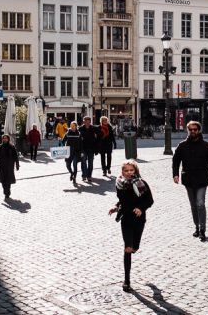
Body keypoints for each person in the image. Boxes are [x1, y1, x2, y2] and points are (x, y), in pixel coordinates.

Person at [108, 160, 154, 293]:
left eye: (131, 170)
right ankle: (127, 281)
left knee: (134, 247)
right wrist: (116, 207)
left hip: (139, 219)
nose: (129, 173)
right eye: (126, 170)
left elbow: (149, 200)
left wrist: (141, 208)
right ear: (122, 172)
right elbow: (122, 201)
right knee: (127, 248)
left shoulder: (141, 183)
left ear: (135, 171)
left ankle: (134, 248)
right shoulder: (120, 184)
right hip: (126, 219)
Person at [172, 121, 208, 241]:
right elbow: (176, 161)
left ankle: (203, 229)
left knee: (200, 204)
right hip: (188, 180)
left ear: (199, 130)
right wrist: (175, 174)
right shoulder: (182, 146)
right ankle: (196, 227)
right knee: (193, 206)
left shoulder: (206, 146)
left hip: (202, 180)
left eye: (195, 129)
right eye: (190, 129)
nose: (193, 131)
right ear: (188, 130)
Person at [0, 134, 20, 199]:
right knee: (3, 180)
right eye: (3, 138)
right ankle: (5, 191)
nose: (5, 139)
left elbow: (15, 156)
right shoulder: (0, 147)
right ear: (2, 139)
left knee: (8, 180)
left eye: (6, 138)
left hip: (10, 166)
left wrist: (17, 164)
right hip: (2, 166)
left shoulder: (12, 147)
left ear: (8, 139)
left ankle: (7, 193)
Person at [79, 116, 98, 182]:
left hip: (91, 148)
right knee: (83, 162)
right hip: (83, 148)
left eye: (88, 122)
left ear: (90, 122)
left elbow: (98, 137)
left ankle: (89, 176)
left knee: (90, 163)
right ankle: (84, 175)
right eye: (85, 121)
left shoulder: (93, 128)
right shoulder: (80, 128)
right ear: (83, 122)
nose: (86, 123)